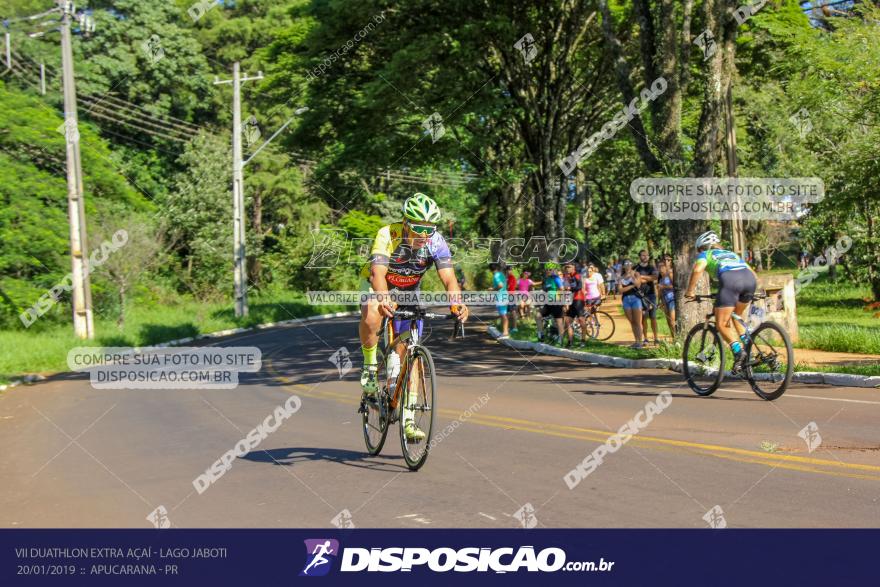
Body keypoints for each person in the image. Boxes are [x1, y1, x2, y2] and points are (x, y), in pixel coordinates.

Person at [358, 193, 469, 441]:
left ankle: (408, 418)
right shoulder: (388, 234)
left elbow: (449, 278)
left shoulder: (435, 241)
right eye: (418, 228)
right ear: (406, 223)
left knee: (412, 351)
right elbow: (377, 273)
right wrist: (383, 296)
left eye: (430, 228)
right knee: (373, 310)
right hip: (379, 283)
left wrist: (457, 304)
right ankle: (369, 366)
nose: (424, 234)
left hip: (409, 289)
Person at [684, 230, 757, 374]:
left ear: (703, 247)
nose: (699, 252)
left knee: (721, 323)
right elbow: (753, 274)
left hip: (730, 281)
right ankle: (749, 349)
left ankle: (738, 352)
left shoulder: (706, 254)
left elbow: (698, 269)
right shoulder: (732, 254)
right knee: (737, 315)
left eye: (699, 250)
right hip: (749, 280)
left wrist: (690, 291)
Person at [535, 263, 564, 344]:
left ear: (554, 270)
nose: (548, 271)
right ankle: (541, 334)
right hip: (548, 303)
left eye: (550, 269)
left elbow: (562, 289)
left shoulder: (556, 278)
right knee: (538, 315)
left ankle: (560, 339)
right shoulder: (547, 279)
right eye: (547, 269)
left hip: (556, 302)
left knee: (559, 321)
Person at [636, 249, 660, 345]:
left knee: (653, 317)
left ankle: (656, 338)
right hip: (640, 296)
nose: (645, 257)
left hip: (651, 295)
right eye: (643, 255)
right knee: (644, 318)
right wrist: (646, 278)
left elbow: (654, 277)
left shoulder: (652, 267)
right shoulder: (635, 268)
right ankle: (645, 339)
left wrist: (641, 277)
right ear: (640, 256)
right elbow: (634, 279)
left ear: (648, 257)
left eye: (646, 255)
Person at [618, 260, 644, 348]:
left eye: (629, 263)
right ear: (623, 266)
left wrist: (632, 275)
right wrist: (631, 286)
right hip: (626, 300)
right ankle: (636, 341)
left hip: (635, 299)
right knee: (632, 321)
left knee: (638, 322)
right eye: (626, 264)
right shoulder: (621, 277)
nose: (628, 265)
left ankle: (640, 342)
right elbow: (620, 290)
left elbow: (638, 285)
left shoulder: (636, 274)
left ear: (632, 265)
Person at [562, 263, 586, 347]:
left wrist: (570, 289)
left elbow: (579, 286)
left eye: (569, 267)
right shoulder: (566, 277)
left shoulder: (577, 275)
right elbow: (566, 291)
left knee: (581, 320)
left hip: (579, 299)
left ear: (573, 268)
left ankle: (583, 340)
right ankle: (570, 342)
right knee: (568, 321)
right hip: (571, 300)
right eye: (566, 267)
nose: (567, 268)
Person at [490, 263, 510, 337]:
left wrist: (492, 289)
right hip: (505, 294)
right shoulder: (501, 274)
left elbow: (500, 285)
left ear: (491, 270)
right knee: (504, 314)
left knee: (503, 315)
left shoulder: (496, 275)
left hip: (501, 296)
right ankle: (505, 330)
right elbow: (505, 285)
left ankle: (505, 332)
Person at [658, 258, 676, 336]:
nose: (660, 268)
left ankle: (677, 338)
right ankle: (674, 339)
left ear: (666, 267)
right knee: (668, 322)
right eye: (659, 267)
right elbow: (661, 292)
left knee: (672, 321)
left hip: (672, 300)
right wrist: (660, 302)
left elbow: (675, 286)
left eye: (662, 266)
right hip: (665, 301)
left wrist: (664, 287)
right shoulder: (661, 280)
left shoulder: (670, 275)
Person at [504, 265, 519, 333]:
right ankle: (510, 327)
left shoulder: (511, 277)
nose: (508, 271)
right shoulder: (508, 277)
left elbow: (508, 286)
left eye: (510, 270)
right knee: (508, 312)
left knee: (513, 312)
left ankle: (515, 327)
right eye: (507, 270)